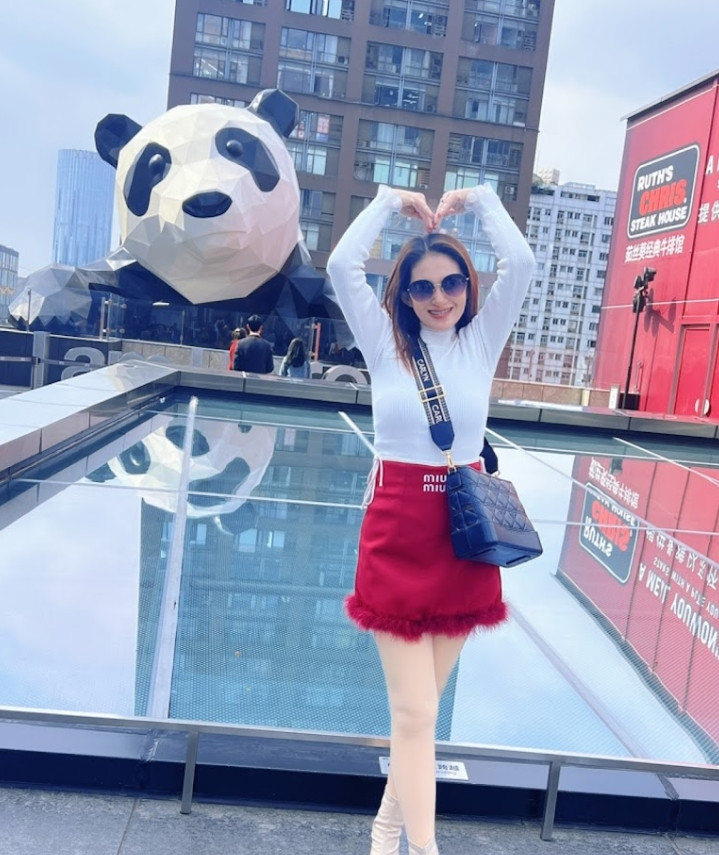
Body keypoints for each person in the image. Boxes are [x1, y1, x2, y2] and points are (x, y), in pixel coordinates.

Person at [326, 184, 534, 855]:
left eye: (451, 282)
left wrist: (483, 202)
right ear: (405, 296)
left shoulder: (480, 341)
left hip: (463, 532)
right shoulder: (384, 343)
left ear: (468, 286)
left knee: (420, 713)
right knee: (414, 710)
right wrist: (390, 202)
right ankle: (423, 847)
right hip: (396, 530)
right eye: (423, 287)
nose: (439, 297)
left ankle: (385, 829)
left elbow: (521, 264)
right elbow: (340, 266)